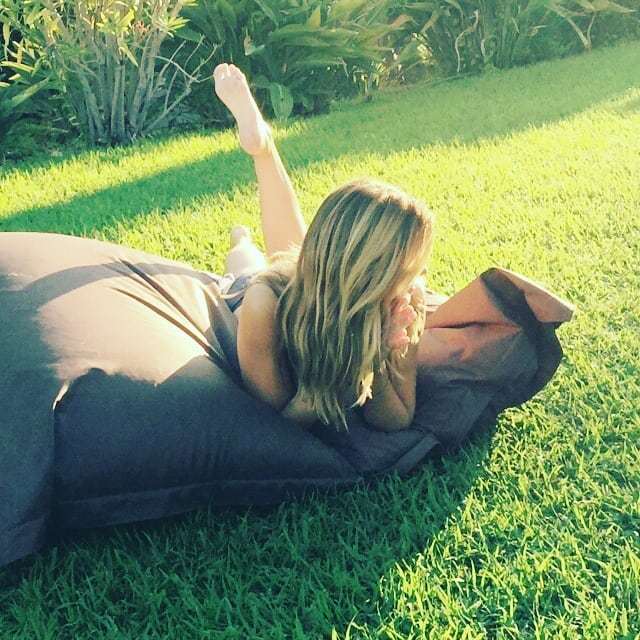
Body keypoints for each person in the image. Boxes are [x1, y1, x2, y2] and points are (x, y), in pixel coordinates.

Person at [213, 62, 434, 433]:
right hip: (266, 295)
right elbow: (277, 426)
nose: (419, 278)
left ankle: (263, 147)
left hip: (316, 280)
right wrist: (336, 380)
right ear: (372, 273)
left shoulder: (405, 301)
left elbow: (397, 418)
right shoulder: (263, 306)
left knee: (294, 256)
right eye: (411, 268)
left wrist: (377, 360)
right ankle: (242, 233)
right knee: (246, 262)